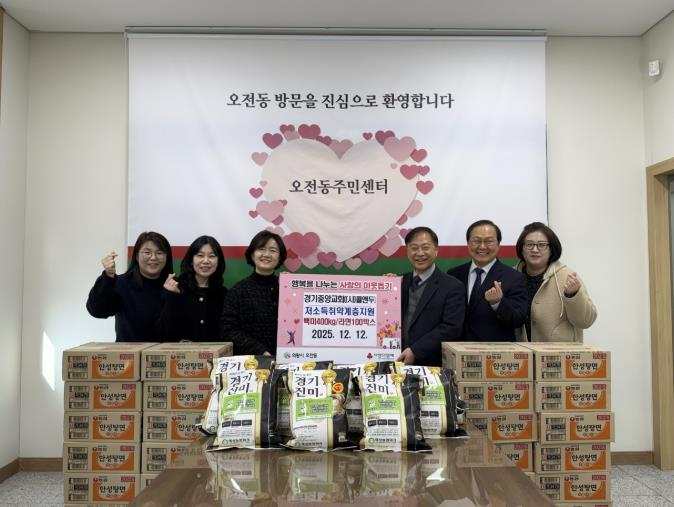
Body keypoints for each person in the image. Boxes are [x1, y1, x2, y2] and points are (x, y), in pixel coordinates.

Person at [515, 222, 597, 342]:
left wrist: (573, 296)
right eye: (529, 244)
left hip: (560, 353)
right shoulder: (511, 276)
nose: (535, 249)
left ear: (552, 249)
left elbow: (586, 321)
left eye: (542, 245)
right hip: (520, 353)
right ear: (521, 248)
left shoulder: (567, 276)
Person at [448, 220, 527, 341]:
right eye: (476, 241)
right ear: (468, 243)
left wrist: (498, 303)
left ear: (498, 244)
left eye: (489, 241)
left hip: (494, 350)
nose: (482, 246)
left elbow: (518, 319)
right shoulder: (454, 274)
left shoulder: (514, 277)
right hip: (456, 348)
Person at [86, 231, 173, 342]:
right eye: (147, 252)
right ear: (136, 256)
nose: (153, 257)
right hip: (128, 352)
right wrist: (108, 276)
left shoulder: (175, 286)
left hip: (168, 352)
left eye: (159, 253)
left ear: (166, 257)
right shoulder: (122, 283)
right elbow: (97, 311)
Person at [399, 226, 465, 366]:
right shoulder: (399, 282)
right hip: (396, 360)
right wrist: (386, 288)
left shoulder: (453, 286)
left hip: (431, 364)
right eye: (414, 248)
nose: (420, 253)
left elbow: (451, 328)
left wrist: (416, 351)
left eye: (425, 247)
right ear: (407, 251)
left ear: (436, 250)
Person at [220, 230, 287, 355]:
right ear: (252, 254)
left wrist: (291, 289)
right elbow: (228, 330)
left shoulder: (287, 288)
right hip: (252, 362)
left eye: (273, 250)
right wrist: (259, 351)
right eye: (261, 249)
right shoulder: (237, 291)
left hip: (289, 360)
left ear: (280, 257)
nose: (266, 254)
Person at [157, 235, 227, 342]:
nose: (206, 261)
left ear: (218, 262)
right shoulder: (176, 288)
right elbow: (162, 331)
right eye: (200, 255)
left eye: (212, 256)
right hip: (180, 352)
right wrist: (171, 297)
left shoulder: (223, 293)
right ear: (191, 260)